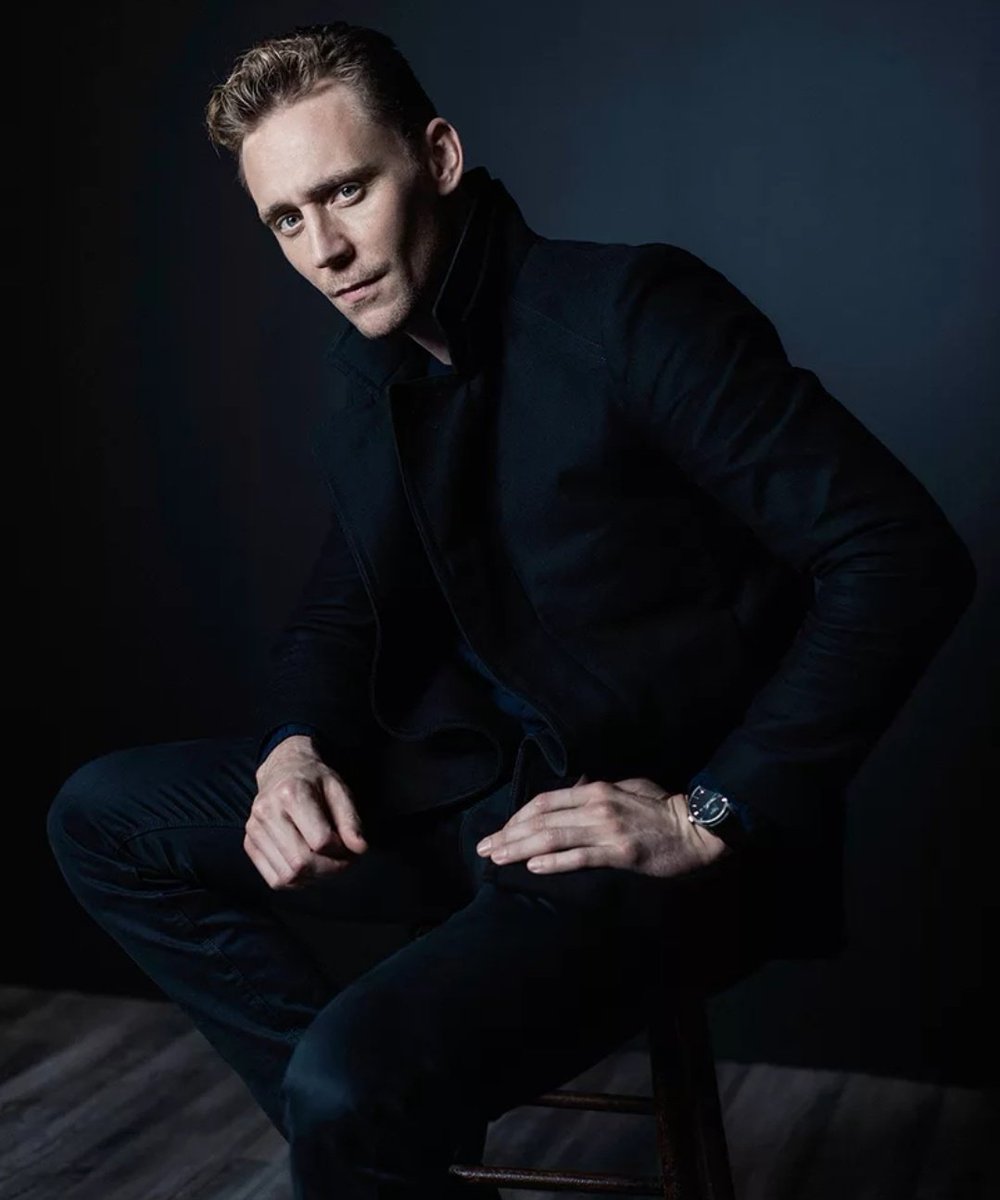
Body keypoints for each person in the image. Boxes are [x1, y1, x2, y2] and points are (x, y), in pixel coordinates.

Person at [46, 20, 977, 1200]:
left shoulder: (632, 312)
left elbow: (898, 553)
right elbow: (341, 611)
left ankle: (363, 1126)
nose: (324, 250)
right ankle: (376, 1143)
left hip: (643, 838)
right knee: (105, 819)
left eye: (346, 191)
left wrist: (708, 813)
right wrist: (292, 754)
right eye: (285, 219)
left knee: (348, 1090)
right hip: (474, 794)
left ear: (437, 158)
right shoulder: (374, 377)